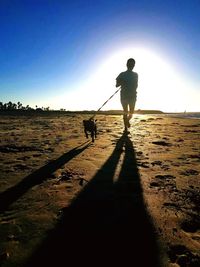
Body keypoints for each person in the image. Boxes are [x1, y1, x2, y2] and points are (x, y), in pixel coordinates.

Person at [116, 58, 138, 132]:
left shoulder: (136, 75)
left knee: (131, 113)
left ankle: (127, 121)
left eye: (133, 64)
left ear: (134, 65)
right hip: (124, 96)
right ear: (127, 64)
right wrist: (122, 81)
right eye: (130, 64)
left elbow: (136, 85)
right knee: (125, 111)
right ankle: (125, 128)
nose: (131, 65)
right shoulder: (122, 74)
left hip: (133, 96)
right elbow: (116, 85)